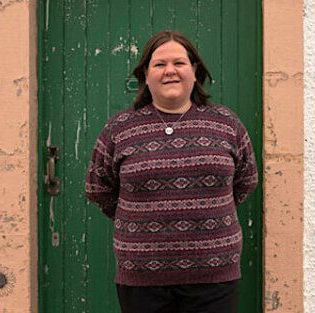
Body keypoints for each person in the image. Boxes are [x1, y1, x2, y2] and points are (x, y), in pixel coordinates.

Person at [85, 30, 258, 313]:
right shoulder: (120, 128)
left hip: (214, 277)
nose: (170, 71)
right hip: (142, 279)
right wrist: (140, 220)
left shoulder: (226, 123)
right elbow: (98, 187)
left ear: (194, 70)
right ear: (145, 74)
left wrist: (206, 213)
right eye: (159, 64)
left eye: (179, 63)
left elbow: (246, 180)